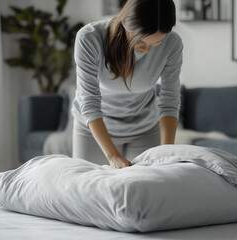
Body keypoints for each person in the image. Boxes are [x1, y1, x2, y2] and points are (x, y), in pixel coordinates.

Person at [72, 0, 183, 169]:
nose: (147, 50)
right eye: (140, 42)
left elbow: (169, 100)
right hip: (94, 130)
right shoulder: (89, 38)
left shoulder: (172, 44)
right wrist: (113, 155)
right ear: (126, 23)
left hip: (144, 128)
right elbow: (89, 101)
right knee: (87, 189)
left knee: (146, 189)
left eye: (156, 44)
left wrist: (166, 153)